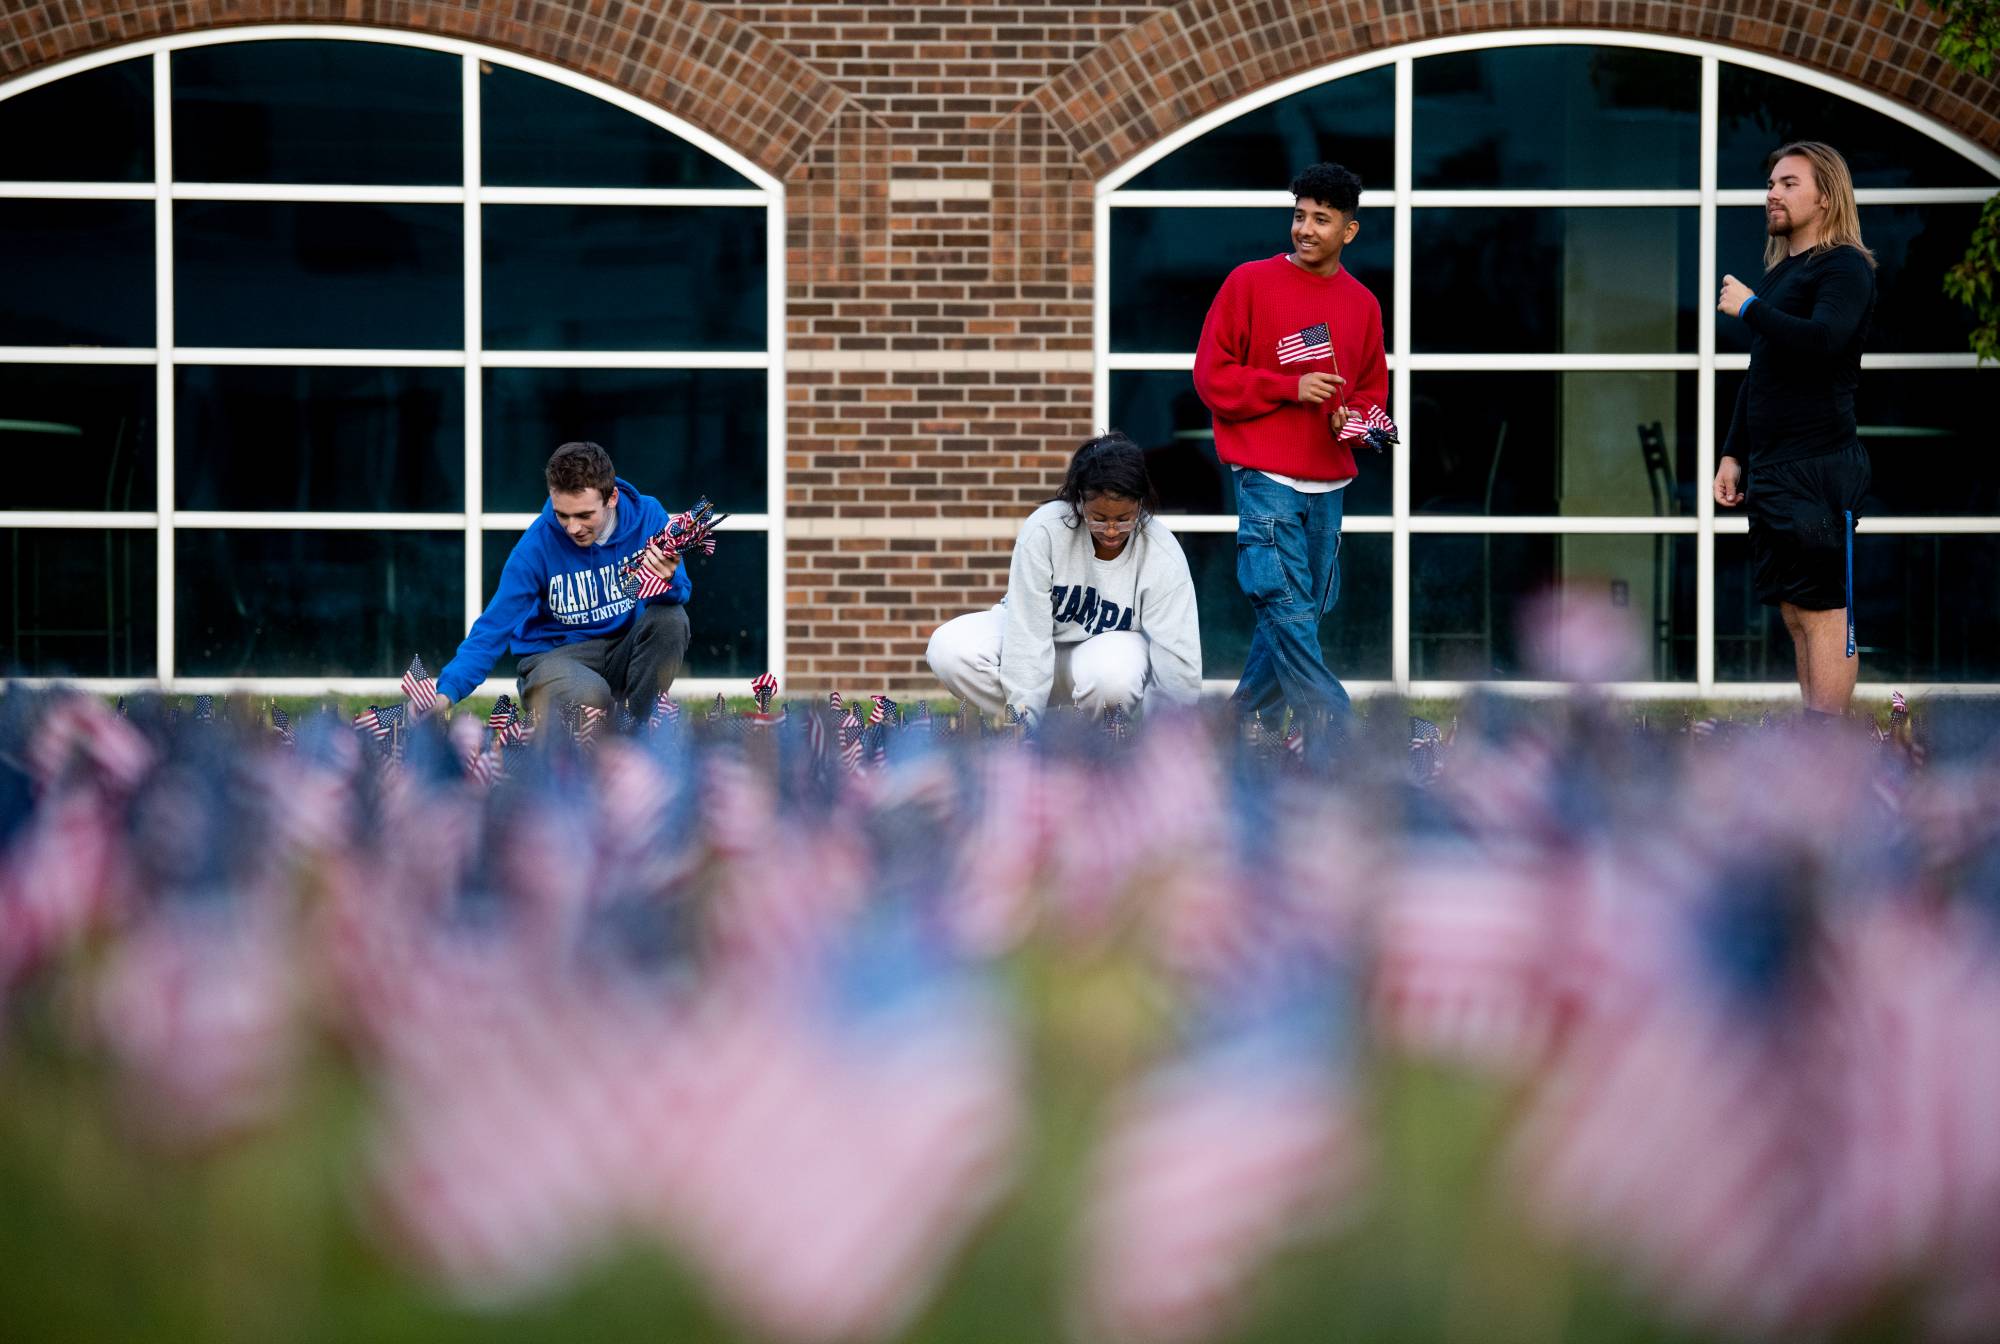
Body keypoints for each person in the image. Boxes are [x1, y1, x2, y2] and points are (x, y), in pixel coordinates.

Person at [1192, 162, 1388, 741]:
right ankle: (1338, 728)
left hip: (1330, 483)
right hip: (1265, 476)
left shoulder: (1364, 305)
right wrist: (1288, 386)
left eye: (1321, 220)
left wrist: (1351, 419)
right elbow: (1211, 376)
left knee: (1303, 610)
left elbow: (1373, 390)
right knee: (1283, 600)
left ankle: (1232, 729)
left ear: (1348, 231)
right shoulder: (1248, 283)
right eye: (1299, 216)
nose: (1305, 229)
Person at [1715, 141, 1876, 721]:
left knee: (1823, 609)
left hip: (1819, 463)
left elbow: (1824, 342)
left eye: (1788, 183)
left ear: (1826, 196)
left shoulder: (1845, 266)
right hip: (1776, 467)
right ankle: (1813, 748)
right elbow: (1764, 372)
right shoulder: (1784, 273)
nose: (1772, 193)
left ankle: (1826, 754)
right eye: (1771, 184)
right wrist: (1734, 453)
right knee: (1792, 609)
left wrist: (1753, 308)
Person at [926, 432, 1202, 723]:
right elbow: (1028, 633)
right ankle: (1029, 731)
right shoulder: (1045, 531)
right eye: (1099, 518)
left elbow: (1177, 655)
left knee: (1116, 674)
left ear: (1141, 504)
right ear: (1079, 502)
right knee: (950, 649)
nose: (1110, 530)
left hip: (1099, 657)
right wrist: (1024, 725)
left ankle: (1090, 741)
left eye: (1123, 519)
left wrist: (1171, 738)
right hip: (1033, 641)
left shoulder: (1161, 553)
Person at [434, 441, 691, 722]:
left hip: (621, 650)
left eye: (584, 515)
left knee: (672, 620)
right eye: (562, 515)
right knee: (592, 696)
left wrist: (668, 581)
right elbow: (492, 629)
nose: (573, 528)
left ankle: (643, 730)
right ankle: (592, 720)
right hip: (556, 661)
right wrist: (445, 694)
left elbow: (679, 593)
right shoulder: (535, 547)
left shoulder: (648, 516)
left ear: (612, 498)